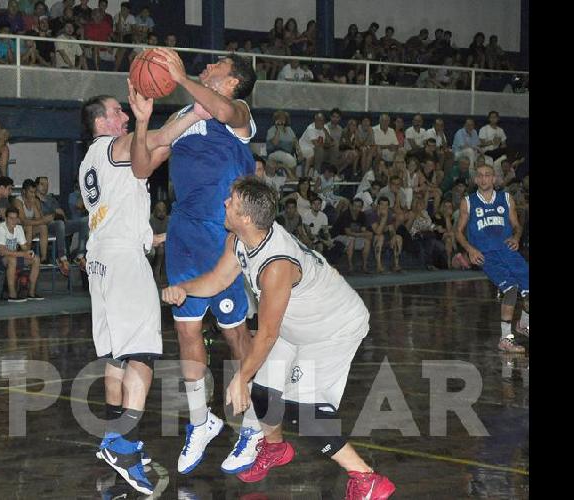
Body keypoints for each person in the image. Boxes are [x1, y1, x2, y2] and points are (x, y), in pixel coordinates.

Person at [161, 176, 396, 500]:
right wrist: (183, 289)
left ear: (245, 217)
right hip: (295, 324)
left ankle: (367, 478)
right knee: (263, 394)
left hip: (332, 329)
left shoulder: (276, 265)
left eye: (231, 200)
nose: (225, 202)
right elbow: (216, 280)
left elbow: (267, 333)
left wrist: (239, 377)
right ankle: (275, 448)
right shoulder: (239, 240)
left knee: (302, 409)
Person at [81, 85, 207, 495]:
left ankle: (112, 437)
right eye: (117, 111)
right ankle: (121, 442)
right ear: (103, 122)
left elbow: (150, 158)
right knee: (144, 357)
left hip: (101, 258)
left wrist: (153, 238)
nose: (123, 114)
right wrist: (193, 115)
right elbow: (151, 142)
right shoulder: (109, 145)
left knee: (117, 356)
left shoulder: (90, 161)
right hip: (121, 262)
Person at [149, 47, 266, 475]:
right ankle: (201, 421)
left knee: (236, 337)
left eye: (216, 65)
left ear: (233, 80)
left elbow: (217, 108)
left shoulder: (238, 113)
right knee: (185, 331)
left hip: (223, 234)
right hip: (184, 231)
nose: (207, 65)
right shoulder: (186, 114)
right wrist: (145, 119)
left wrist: (180, 77)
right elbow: (152, 153)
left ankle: (251, 425)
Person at [456, 164, 529, 352]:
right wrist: (470, 249)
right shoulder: (468, 201)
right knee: (511, 288)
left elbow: (517, 225)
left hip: (508, 251)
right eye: (479, 175)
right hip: (487, 255)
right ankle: (505, 339)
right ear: (475, 180)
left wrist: (516, 237)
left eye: (487, 175)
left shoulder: (506, 198)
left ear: (494, 178)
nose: (483, 178)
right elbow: (458, 232)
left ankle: (523, 324)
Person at [0, 206, 44, 302]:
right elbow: (3, 252)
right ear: (6, 218)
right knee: (12, 259)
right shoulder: (0, 229)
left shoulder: (19, 228)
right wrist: (23, 254)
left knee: (35, 259)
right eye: (11, 218)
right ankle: (12, 295)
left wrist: (29, 252)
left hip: (10, 258)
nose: (13, 221)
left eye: (15, 218)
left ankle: (31, 293)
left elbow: (25, 247)